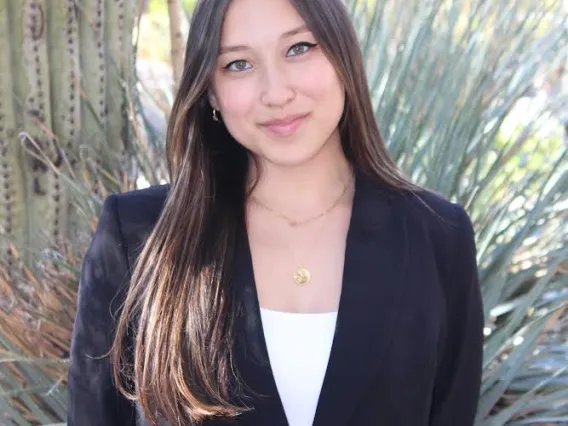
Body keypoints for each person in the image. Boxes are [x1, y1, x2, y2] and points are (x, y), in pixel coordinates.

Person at [67, 0, 485, 424]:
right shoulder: (138, 237)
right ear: (210, 88)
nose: (277, 93)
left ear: (344, 56)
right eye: (238, 64)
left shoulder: (439, 237)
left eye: (299, 48)